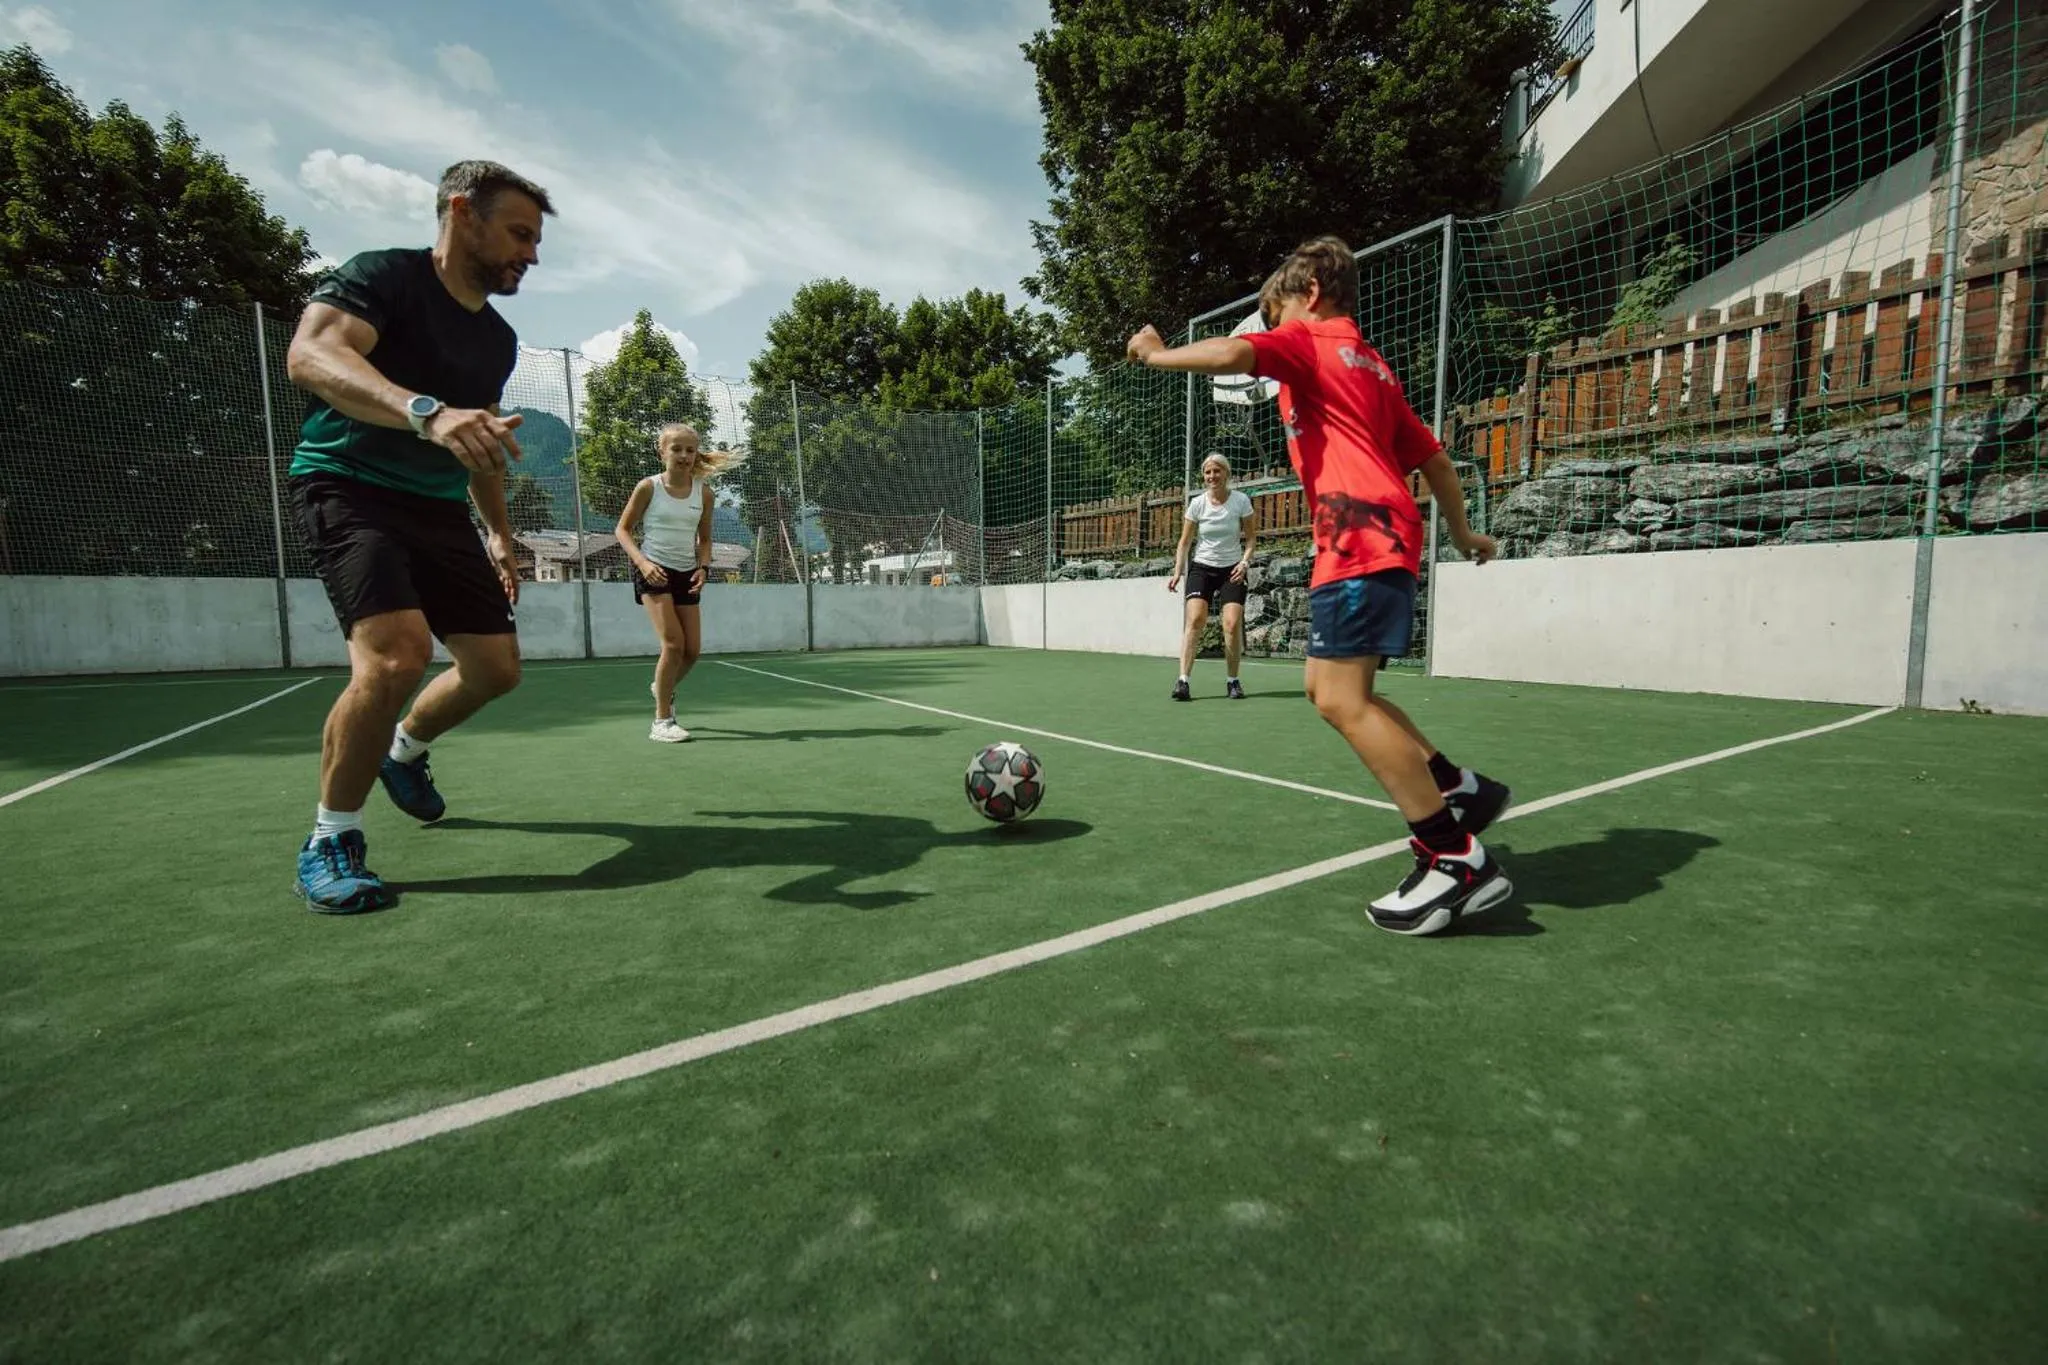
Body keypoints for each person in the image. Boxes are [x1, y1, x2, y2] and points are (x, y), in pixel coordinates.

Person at [1127, 235, 1513, 937]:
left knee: (1340, 697)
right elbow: (1438, 463)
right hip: (1385, 533)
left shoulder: (1309, 341)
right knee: (1330, 687)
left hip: (1357, 535)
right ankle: (1456, 786)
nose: (1272, 332)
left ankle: (1453, 857)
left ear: (1308, 296)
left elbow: (1232, 353)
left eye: (1275, 315)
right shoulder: (1373, 367)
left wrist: (1156, 355)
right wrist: (1462, 534)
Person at [283, 159, 554, 914]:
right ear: (463, 212)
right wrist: (425, 411)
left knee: (496, 670)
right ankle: (330, 836)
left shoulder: (496, 340)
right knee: (397, 654)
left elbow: (481, 443)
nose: (530, 254)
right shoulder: (382, 278)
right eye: (519, 233)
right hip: (348, 485)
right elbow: (310, 356)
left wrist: (501, 535)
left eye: (536, 241)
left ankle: (403, 751)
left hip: (438, 510)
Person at [614, 423, 744, 742]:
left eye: (690, 450)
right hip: (653, 569)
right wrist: (643, 564)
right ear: (662, 452)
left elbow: (705, 538)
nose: (684, 455)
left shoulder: (704, 493)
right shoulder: (648, 487)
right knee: (673, 645)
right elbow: (622, 530)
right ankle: (661, 721)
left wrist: (703, 567)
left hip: (688, 572)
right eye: (677, 449)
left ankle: (661, 687)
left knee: (692, 651)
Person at [1166, 452, 1257, 700]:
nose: (1212, 476)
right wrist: (1177, 572)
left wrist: (1245, 563)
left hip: (1232, 569)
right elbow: (1184, 543)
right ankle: (1183, 681)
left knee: (1232, 623)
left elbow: (1250, 540)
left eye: (1217, 471)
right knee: (1195, 619)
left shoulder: (1240, 501)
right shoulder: (1197, 504)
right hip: (1202, 568)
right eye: (1208, 472)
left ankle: (1233, 681)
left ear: (1226, 474)